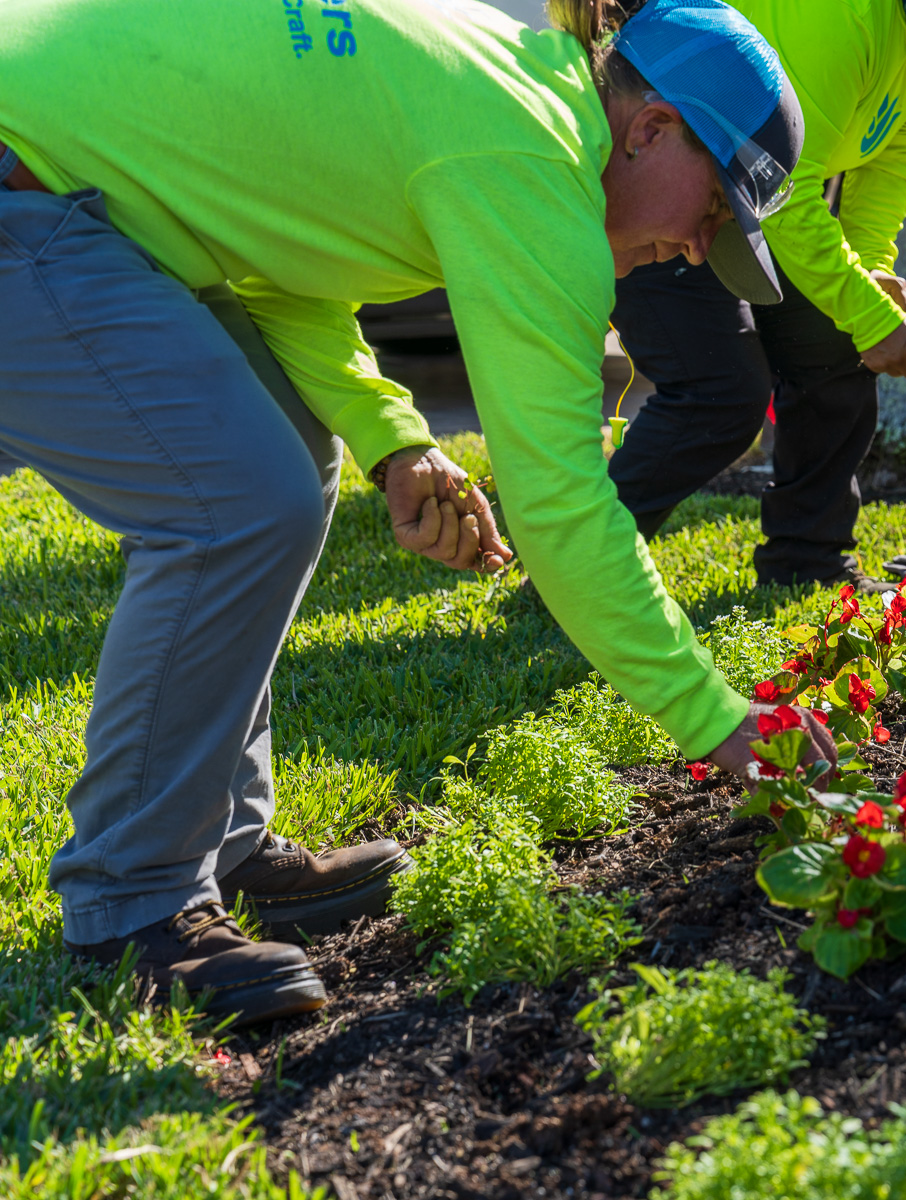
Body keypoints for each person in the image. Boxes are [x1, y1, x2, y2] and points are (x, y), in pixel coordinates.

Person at [0, 0, 832, 1026]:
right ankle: (131, 900)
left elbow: (279, 259)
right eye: (711, 213)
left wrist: (391, 440)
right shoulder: (529, 161)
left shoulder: (510, 88)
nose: (695, 251)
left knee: (282, 467)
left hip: (84, 195)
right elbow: (560, 501)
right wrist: (717, 721)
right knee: (232, 506)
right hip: (25, 182)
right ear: (652, 126)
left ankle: (213, 839)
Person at [606, 0, 906, 587]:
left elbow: (893, 164)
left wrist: (870, 277)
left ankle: (808, 563)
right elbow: (787, 187)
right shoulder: (845, 14)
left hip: (751, 203)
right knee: (720, 392)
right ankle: (572, 566)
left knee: (836, 345)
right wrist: (867, 313)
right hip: (666, 190)